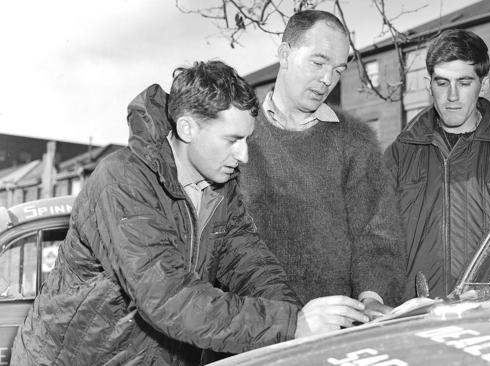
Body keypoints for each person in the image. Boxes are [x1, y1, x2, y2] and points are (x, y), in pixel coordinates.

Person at [11, 61, 369, 366]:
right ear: (187, 128)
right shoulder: (122, 183)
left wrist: (303, 326)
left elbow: (254, 268)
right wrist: (291, 324)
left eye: (247, 140)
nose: (243, 156)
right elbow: (168, 297)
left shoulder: (220, 188)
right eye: (232, 140)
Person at [238, 10, 406, 315]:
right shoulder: (236, 137)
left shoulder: (355, 140)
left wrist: (372, 297)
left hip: (334, 336)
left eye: (339, 69)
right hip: (251, 334)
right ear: (285, 54)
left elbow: (377, 235)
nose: (328, 79)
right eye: (318, 62)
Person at [385, 29, 490, 300]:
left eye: (463, 82)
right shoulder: (399, 155)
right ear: (429, 85)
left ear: (483, 85)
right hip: (416, 321)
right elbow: (374, 243)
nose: (451, 96)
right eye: (442, 82)